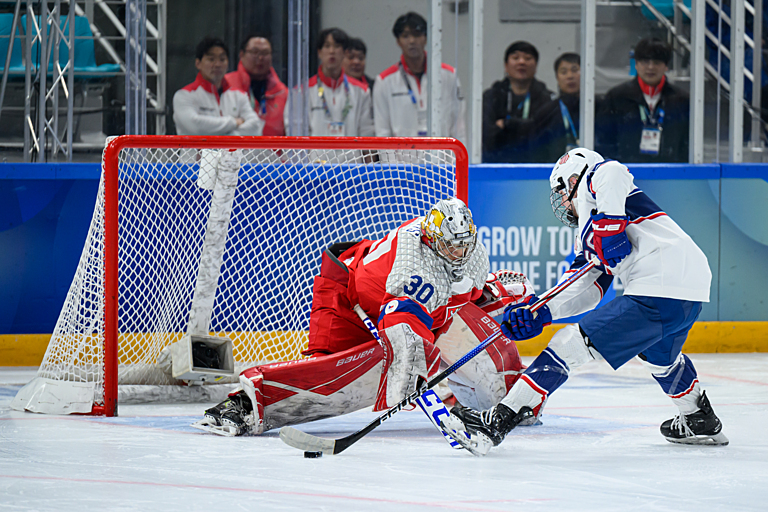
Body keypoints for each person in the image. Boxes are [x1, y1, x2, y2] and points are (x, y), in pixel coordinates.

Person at [448, 148, 729, 451]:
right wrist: (540, 312)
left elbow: (612, 171)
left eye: (562, 191)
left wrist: (609, 224)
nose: (563, 201)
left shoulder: (598, 182)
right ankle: (698, 417)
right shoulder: (595, 225)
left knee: (569, 343)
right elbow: (587, 287)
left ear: (573, 179)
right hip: (689, 289)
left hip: (658, 284)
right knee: (661, 358)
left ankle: (497, 421)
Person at [192, 198, 534, 438]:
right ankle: (244, 405)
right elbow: (402, 322)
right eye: (450, 247)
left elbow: (462, 295)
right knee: (342, 381)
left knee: (489, 362)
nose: (458, 253)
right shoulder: (413, 259)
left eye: (463, 245)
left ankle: (502, 400)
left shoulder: (470, 252)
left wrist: (502, 297)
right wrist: (409, 368)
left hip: (402, 305)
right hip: (348, 300)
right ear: (431, 240)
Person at [374, 12, 465, 140]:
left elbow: (459, 127)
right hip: (402, 153)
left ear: (426, 38)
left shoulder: (449, 76)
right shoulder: (384, 81)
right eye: (405, 36)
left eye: (417, 35)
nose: (412, 41)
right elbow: (382, 132)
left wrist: (461, 152)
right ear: (398, 41)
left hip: (441, 151)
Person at [596, 38, 689, 162]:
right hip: (626, 169)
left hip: (669, 170)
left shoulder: (681, 100)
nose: (650, 67)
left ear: (666, 66)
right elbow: (604, 140)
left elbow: (686, 143)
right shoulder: (617, 97)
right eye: (645, 61)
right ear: (636, 64)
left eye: (657, 62)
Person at [284, 28, 374, 137]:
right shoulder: (301, 92)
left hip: (351, 149)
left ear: (344, 53)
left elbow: (366, 133)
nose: (332, 51)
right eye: (327, 46)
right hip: (315, 148)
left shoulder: (361, 91)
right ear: (319, 52)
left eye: (337, 46)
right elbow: (295, 134)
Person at [173, 36, 263, 136]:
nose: (217, 64)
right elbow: (195, 126)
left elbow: (255, 127)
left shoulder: (239, 96)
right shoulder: (184, 95)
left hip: (230, 147)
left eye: (222, 59)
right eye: (211, 59)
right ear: (198, 63)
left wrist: (224, 137)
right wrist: (233, 122)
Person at [482, 41, 555, 163]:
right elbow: (487, 135)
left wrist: (507, 124)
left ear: (536, 66)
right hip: (497, 164)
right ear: (506, 65)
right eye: (515, 58)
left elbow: (542, 135)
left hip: (536, 165)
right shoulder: (491, 96)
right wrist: (527, 127)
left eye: (528, 58)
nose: (521, 62)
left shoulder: (547, 98)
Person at [225, 34, 288, 136]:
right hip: (233, 146)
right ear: (241, 55)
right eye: (254, 52)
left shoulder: (283, 93)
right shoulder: (226, 85)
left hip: (272, 146)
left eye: (265, 53)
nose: (260, 57)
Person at [537, 53, 581, 163]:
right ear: (557, 77)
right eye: (564, 72)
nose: (570, 76)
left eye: (575, 70)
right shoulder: (547, 112)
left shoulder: (598, 107)